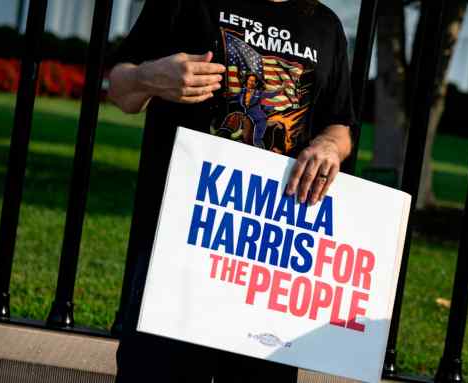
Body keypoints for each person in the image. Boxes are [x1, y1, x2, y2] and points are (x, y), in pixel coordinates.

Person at [107, 0, 356, 381]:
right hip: (178, 244)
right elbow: (120, 89)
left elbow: (339, 124)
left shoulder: (324, 25)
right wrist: (149, 77)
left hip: (267, 259)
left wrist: (329, 146)